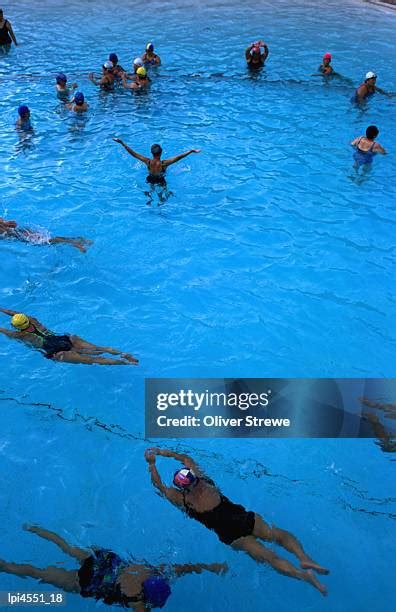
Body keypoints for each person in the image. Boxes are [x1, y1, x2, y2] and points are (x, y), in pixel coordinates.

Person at [145, 448, 329, 596]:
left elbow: (159, 485)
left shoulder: (183, 500)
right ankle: (304, 558)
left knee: (270, 558)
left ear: (182, 488)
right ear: (193, 476)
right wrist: (163, 453)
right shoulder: (204, 479)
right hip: (243, 518)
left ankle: (303, 576)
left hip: (232, 536)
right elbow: (185, 457)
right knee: (277, 535)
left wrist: (152, 464)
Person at [0, 525, 227, 611]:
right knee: (39, 574)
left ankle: (35, 529)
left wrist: (209, 566)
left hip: (101, 560)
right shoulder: (136, 600)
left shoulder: (157, 571)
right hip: (88, 581)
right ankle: (3, 567)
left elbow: (183, 568)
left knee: (67, 547)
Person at [0, 309, 138, 365]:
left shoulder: (19, 335)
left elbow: (2, 330)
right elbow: (14, 313)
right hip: (65, 339)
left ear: (17, 326)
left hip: (56, 352)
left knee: (93, 359)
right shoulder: (34, 320)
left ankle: (126, 363)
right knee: (98, 348)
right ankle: (124, 354)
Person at [0, 216, 91, 252]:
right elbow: (13, 223)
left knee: (46, 242)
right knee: (47, 240)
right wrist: (6, 223)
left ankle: (75, 243)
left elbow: (9, 225)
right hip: (21, 230)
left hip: (19, 235)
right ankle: (79, 240)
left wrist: (5, 224)